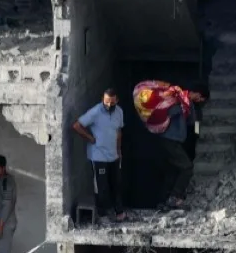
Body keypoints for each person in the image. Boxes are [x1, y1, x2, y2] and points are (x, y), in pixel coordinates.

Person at [131, 80, 209, 210]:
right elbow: (167, 112)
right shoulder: (177, 100)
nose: (200, 101)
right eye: (201, 98)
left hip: (171, 140)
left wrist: (197, 133)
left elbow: (194, 124)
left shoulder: (188, 104)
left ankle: (164, 201)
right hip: (169, 139)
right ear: (197, 94)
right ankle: (175, 197)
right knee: (187, 167)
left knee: (172, 170)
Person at [72, 88, 126, 222]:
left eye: (112, 103)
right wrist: (90, 139)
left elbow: (119, 131)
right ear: (103, 99)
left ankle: (119, 211)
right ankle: (102, 214)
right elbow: (77, 126)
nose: (108, 105)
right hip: (98, 156)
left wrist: (119, 150)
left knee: (116, 183)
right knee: (101, 187)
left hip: (113, 155)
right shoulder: (95, 112)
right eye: (106, 102)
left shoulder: (119, 112)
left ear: (117, 101)